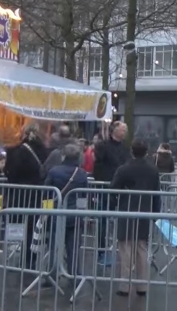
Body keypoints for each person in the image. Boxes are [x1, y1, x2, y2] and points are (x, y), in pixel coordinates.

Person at [110, 139, 161, 297]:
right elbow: (156, 193)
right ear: (146, 152)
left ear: (131, 151)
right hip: (145, 211)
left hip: (127, 210)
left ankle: (124, 286)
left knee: (126, 250)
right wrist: (155, 213)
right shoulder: (153, 170)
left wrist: (112, 207)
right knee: (141, 249)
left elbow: (113, 189)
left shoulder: (124, 169)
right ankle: (142, 286)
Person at [3, 122, 49, 270]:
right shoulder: (45, 151)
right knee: (34, 226)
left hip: (19, 193)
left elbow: (10, 172)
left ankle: (17, 254)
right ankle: (30, 258)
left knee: (19, 223)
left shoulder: (15, 151)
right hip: (38, 193)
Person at [44, 143, 88, 278]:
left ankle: (52, 273)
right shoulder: (81, 174)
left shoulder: (54, 171)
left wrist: (46, 212)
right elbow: (84, 195)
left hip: (56, 213)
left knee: (53, 245)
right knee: (73, 247)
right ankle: (74, 274)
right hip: (75, 214)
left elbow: (46, 193)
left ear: (63, 156)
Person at [93, 121, 130, 266]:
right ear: (114, 131)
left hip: (121, 188)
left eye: (125, 130)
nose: (124, 133)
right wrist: (103, 181)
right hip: (107, 186)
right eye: (122, 130)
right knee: (103, 220)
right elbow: (98, 166)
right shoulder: (103, 146)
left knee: (121, 219)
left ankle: (121, 250)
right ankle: (101, 251)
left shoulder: (125, 148)